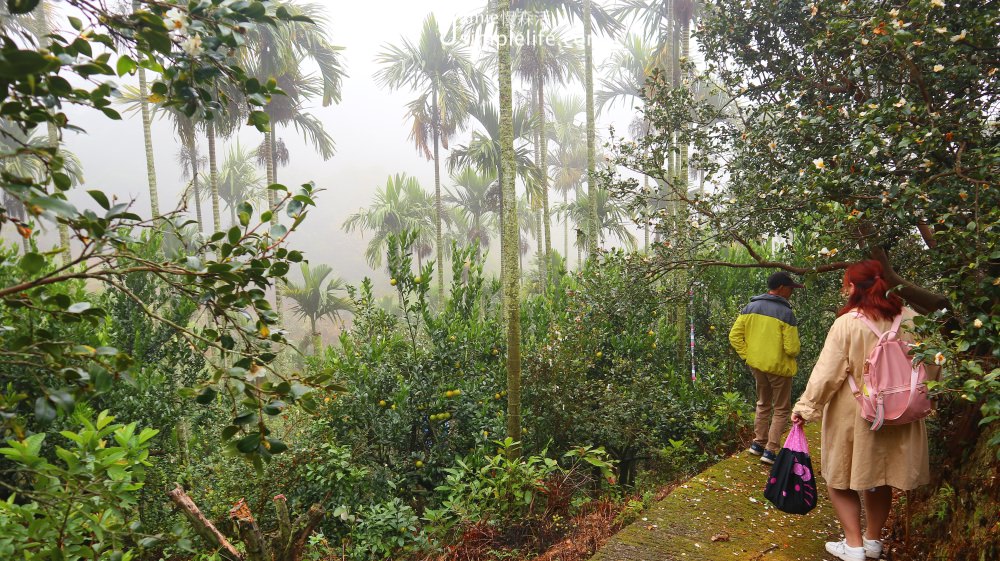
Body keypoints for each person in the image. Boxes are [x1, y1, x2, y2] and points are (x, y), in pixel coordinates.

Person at [791, 260, 936, 561]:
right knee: (879, 477)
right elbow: (934, 364)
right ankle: (872, 540)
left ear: (855, 287)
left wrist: (806, 407)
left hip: (855, 413)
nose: (845, 290)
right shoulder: (912, 319)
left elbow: (828, 373)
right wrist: (921, 396)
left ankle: (853, 545)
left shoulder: (848, 323)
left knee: (839, 478)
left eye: (847, 284)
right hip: (899, 413)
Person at [729, 271, 804, 464]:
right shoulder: (786, 313)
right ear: (781, 288)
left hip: (757, 366)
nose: (792, 292)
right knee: (781, 409)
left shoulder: (750, 307)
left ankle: (757, 444)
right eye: (790, 288)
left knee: (762, 403)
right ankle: (770, 451)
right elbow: (792, 348)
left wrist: (748, 356)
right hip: (778, 368)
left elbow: (734, 336)